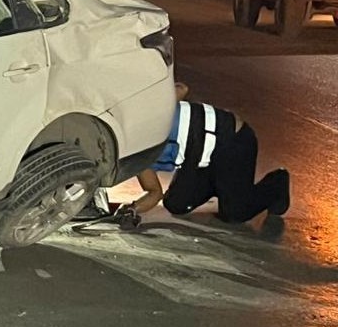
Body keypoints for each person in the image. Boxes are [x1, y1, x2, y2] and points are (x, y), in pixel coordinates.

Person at [119, 82, 290, 228]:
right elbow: (154, 192)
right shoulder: (137, 159)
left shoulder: (143, 115)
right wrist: (132, 209)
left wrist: (158, 103)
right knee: (176, 204)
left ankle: (277, 182)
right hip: (200, 161)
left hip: (231, 141)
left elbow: (182, 88)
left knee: (235, 213)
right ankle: (223, 185)